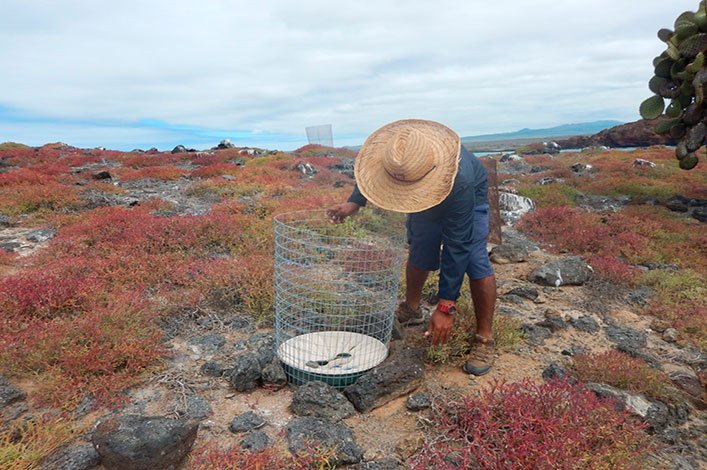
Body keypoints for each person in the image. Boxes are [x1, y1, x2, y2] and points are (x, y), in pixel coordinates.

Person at [327, 119, 497, 376]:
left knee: (474, 259)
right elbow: (373, 175)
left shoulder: (460, 181)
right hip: (425, 192)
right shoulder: (397, 150)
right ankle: (412, 309)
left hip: (468, 198)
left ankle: (484, 337)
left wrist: (445, 306)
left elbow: (457, 245)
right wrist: (355, 202)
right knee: (420, 246)